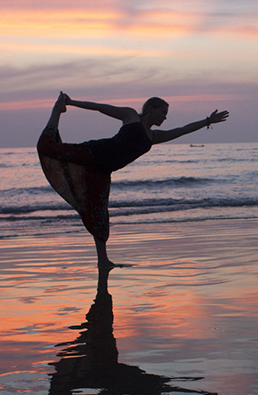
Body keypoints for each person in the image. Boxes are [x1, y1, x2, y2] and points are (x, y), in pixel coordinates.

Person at [37, 92, 229, 268]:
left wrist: (207, 121)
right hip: (93, 153)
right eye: (162, 112)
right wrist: (71, 103)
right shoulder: (130, 116)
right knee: (47, 147)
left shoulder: (153, 137)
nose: (164, 117)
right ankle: (57, 110)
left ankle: (103, 261)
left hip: (103, 171)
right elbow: (100, 107)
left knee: (99, 214)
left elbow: (183, 130)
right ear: (151, 109)